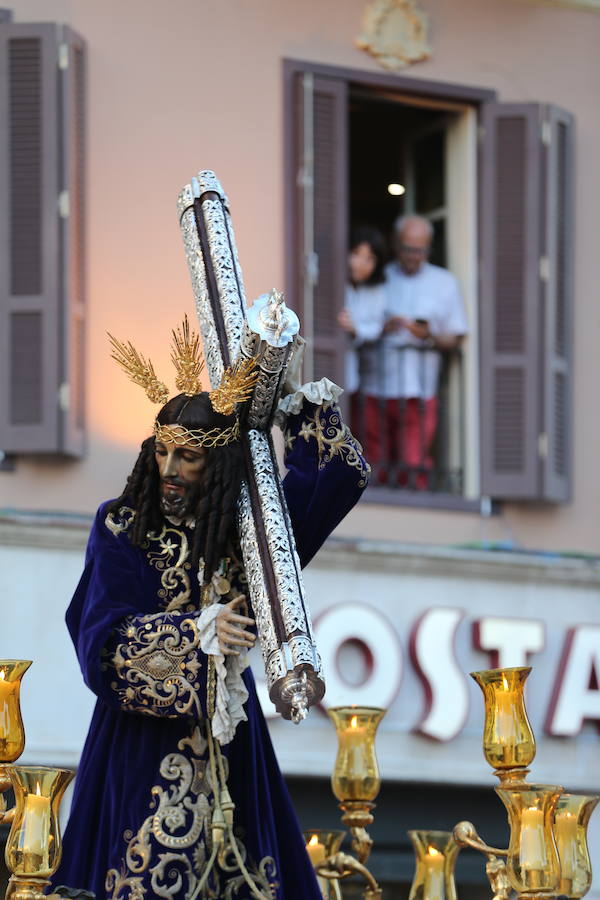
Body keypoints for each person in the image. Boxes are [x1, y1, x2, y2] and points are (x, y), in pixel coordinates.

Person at [52, 322, 369, 900]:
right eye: (164, 451)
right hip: (141, 747)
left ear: (217, 465)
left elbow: (337, 476)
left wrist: (291, 405)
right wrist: (195, 635)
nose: (170, 471)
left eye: (189, 458)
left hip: (233, 745)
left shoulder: (253, 533)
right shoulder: (123, 526)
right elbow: (98, 636)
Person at [380, 215, 468, 488]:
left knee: (414, 463)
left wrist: (428, 335)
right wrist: (384, 327)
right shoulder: (380, 277)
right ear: (396, 246)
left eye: (421, 250)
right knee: (373, 462)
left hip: (420, 389)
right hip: (376, 385)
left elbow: (456, 335)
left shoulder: (444, 282)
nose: (414, 256)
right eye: (408, 249)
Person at [337, 227, 387, 462]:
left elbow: (376, 327)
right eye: (357, 254)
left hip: (353, 370)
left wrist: (356, 329)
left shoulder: (376, 291)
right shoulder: (335, 285)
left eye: (370, 258)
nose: (362, 263)